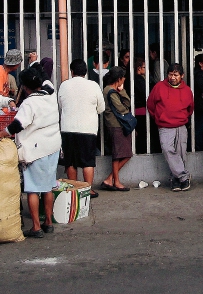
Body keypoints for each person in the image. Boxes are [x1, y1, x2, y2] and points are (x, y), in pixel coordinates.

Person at [7, 66, 61, 238]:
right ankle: (49, 223)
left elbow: (17, 126)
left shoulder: (29, 103)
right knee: (47, 187)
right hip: (52, 146)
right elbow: (44, 74)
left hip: (36, 150)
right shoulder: (50, 91)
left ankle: (36, 227)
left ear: (25, 86)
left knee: (32, 189)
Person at [59, 59, 106, 193]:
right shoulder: (93, 85)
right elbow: (101, 108)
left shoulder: (64, 85)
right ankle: (88, 190)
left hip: (67, 128)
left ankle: (73, 189)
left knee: (70, 161)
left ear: (72, 71)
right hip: (88, 129)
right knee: (88, 161)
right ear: (85, 72)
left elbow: (61, 106)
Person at [148, 63, 195, 190]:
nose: (173, 77)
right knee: (167, 149)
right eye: (170, 74)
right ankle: (184, 176)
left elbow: (190, 108)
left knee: (180, 153)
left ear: (182, 76)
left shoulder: (187, 90)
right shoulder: (159, 87)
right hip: (164, 126)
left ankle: (176, 180)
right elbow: (151, 105)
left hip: (181, 125)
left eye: (175, 75)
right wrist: (160, 117)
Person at [101, 67, 136, 192]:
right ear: (119, 79)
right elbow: (123, 108)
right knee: (119, 155)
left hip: (115, 125)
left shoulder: (110, 90)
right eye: (123, 78)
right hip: (115, 125)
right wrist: (122, 91)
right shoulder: (110, 91)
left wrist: (120, 90)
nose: (124, 80)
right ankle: (116, 181)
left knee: (124, 154)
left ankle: (110, 179)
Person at [132, 59, 149, 154]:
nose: (146, 69)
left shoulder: (131, 78)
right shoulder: (140, 80)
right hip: (141, 112)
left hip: (134, 111)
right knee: (142, 136)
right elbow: (144, 95)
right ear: (139, 68)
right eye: (144, 67)